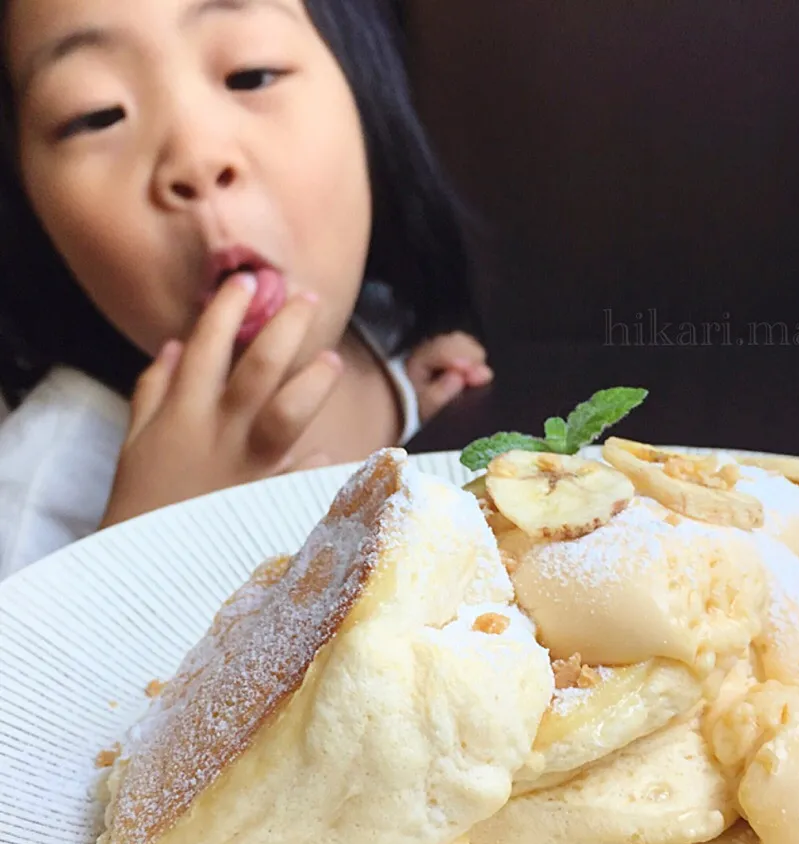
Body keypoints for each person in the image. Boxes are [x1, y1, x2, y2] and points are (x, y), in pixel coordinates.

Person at [0, 0, 493, 580]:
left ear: (365, 94)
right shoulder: (40, 495)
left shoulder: (378, 330)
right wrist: (141, 543)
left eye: (251, 75)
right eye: (97, 114)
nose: (197, 158)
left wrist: (406, 398)